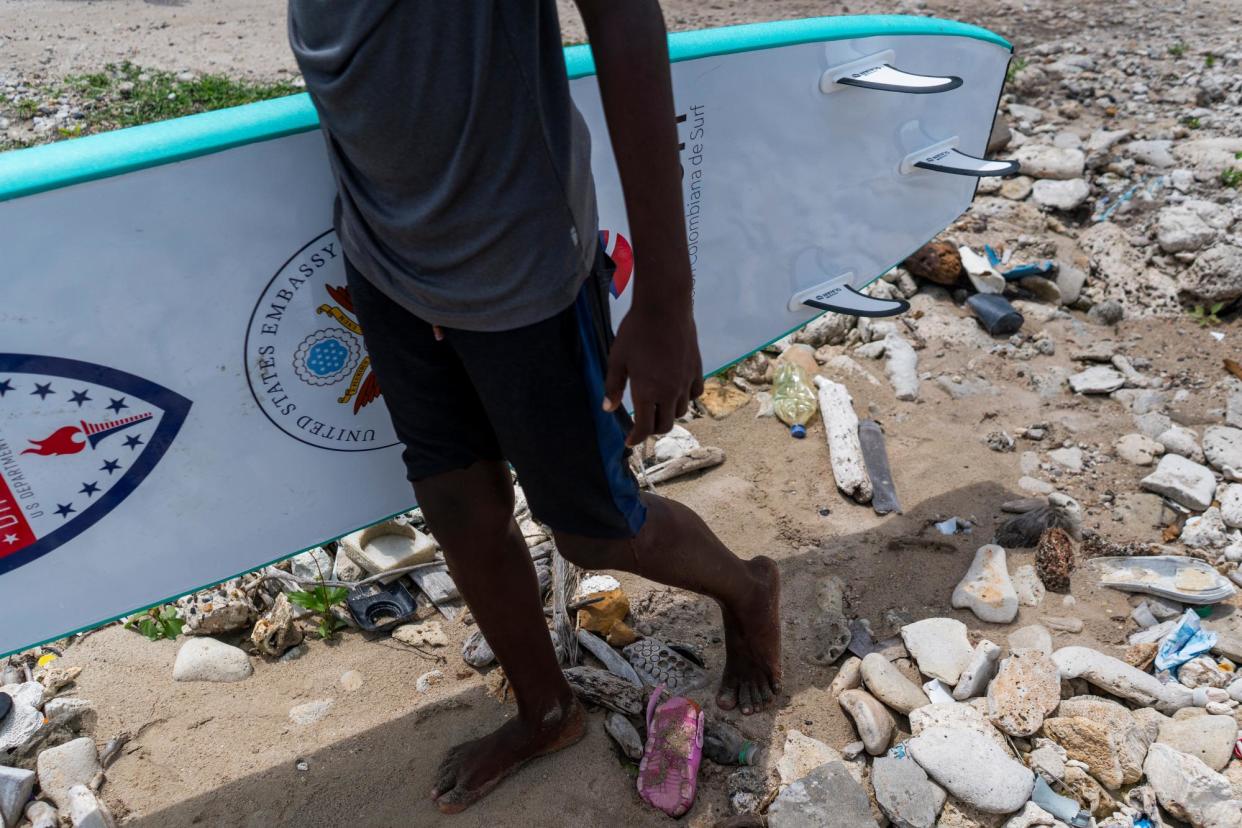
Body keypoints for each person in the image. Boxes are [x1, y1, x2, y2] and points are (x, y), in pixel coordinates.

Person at [288, 1, 781, 814]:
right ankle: (545, 708)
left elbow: (624, 17)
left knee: (592, 526)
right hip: (384, 255)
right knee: (453, 501)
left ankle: (747, 586)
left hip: (521, 265)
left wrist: (666, 298)